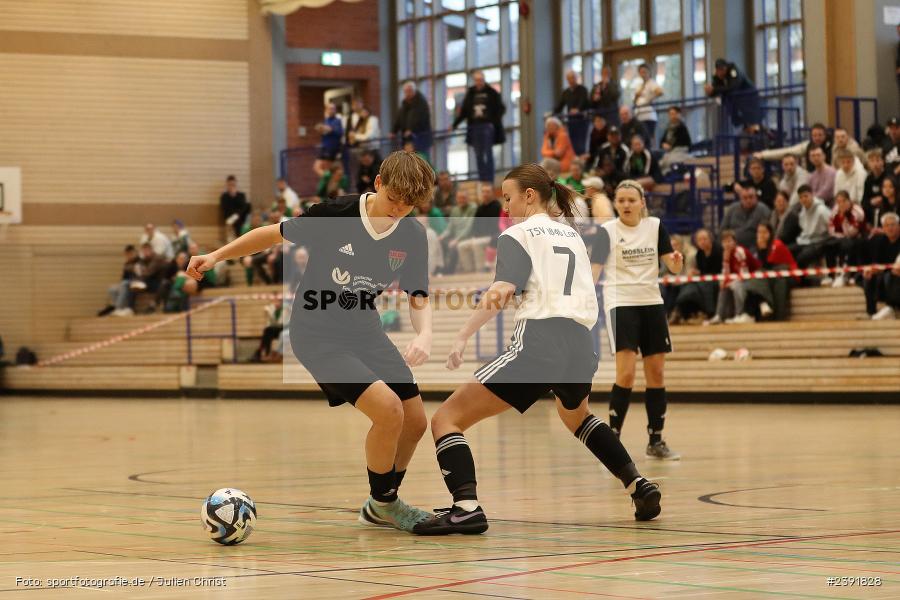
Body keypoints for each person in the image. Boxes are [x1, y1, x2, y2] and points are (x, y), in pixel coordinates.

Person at [186, 151, 437, 533]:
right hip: (318, 335)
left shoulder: (412, 233)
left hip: (365, 331)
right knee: (388, 411)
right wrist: (216, 256)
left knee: (415, 421)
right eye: (393, 201)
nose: (398, 211)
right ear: (378, 183)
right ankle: (386, 504)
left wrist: (426, 332)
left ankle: (380, 502)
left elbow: (417, 294)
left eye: (408, 207)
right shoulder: (335, 215)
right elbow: (270, 234)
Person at [412, 166, 663, 535]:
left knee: (446, 419)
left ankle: (465, 508)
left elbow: (501, 291)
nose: (506, 205)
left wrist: (463, 335)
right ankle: (638, 485)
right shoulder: (573, 235)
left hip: (540, 340)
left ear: (530, 195)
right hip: (581, 342)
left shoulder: (519, 234)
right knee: (577, 417)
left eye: (509, 197)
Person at [591, 180, 684, 459]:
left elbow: (674, 266)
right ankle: (612, 442)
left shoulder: (655, 227)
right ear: (616, 203)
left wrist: (677, 261)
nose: (626, 205)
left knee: (656, 374)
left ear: (642, 202)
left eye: (632, 200)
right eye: (621, 201)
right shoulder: (606, 232)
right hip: (620, 303)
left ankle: (656, 441)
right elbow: (593, 273)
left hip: (651, 303)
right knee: (627, 374)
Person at [452, 71, 505, 183]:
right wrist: (454, 125)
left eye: (480, 80)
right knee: (478, 155)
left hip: (487, 126)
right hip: (475, 126)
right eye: (476, 80)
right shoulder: (471, 93)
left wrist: (493, 121)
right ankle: (483, 180)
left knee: (488, 153)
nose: (479, 82)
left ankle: (490, 179)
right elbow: (464, 111)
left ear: (484, 80)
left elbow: (501, 108)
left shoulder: (492, 92)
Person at [707, 229, 761, 325]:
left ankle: (739, 314)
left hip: (754, 278)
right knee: (723, 286)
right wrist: (726, 261)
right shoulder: (725, 254)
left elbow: (744, 273)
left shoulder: (740, 251)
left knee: (736, 285)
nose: (727, 244)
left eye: (729, 241)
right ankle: (719, 315)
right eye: (724, 242)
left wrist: (729, 282)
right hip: (737, 279)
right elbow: (726, 274)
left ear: (735, 242)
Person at [747, 222, 797, 320]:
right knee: (755, 279)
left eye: (764, 232)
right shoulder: (754, 248)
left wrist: (762, 250)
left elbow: (768, 265)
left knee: (776, 280)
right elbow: (756, 267)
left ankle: (769, 308)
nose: (761, 235)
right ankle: (763, 304)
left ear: (770, 233)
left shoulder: (777, 245)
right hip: (771, 275)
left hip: (789, 275)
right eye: (759, 232)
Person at [672, 228, 721, 323]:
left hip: (716, 280)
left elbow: (717, 270)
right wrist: (696, 272)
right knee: (688, 287)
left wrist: (700, 274)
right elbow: (701, 271)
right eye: (699, 240)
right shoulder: (699, 253)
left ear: (710, 239)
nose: (702, 242)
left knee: (702, 287)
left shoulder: (718, 250)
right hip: (703, 281)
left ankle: (710, 313)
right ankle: (681, 310)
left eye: (704, 239)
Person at [705, 58, 761, 131]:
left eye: (722, 70)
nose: (720, 72)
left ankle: (754, 129)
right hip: (738, 102)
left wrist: (715, 89)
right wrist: (710, 92)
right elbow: (716, 88)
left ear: (726, 68)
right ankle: (746, 126)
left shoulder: (733, 71)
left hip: (749, 98)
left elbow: (732, 87)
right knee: (743, 122)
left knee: (752, 123)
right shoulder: (718, 76)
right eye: (719, 70)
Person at [862, 212, 900, 320]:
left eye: (893, 225)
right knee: (868, 277)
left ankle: (891, 307)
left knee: (890, 276)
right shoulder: (879, 241)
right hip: (886, 271)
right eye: (887, 225)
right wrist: (872, 270)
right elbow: (877, 263)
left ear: (899, 226)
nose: (890, 228)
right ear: (883, 228)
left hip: (896, 273)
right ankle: (871, 312)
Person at [457, 183, 501, 273]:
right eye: (483, 191)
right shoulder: (480, 208)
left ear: (492, 193)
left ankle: (480, 272)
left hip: (492, 236)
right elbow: (475, 225)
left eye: (487, 192)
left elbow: (496, 225)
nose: (485, 194)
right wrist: (474, 236)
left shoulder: (497, 206)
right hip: (478, 237)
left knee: (477, 244)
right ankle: (469, 272)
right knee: (461, 246)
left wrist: (479, 237)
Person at [827, 190, 867, 287]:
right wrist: (839, 235)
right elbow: (831, 229)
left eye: (844, 201)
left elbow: (852, 232)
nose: (841, 204)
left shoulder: (857, 211)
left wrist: (843, 218)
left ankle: (846, 274)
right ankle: (830, 275)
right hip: (841, 237)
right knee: (828, 245)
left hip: (858, 238)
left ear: (849, 200)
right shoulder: (835, 210)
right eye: (838, 202)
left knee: (847, 245)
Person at [754, 123, 833, 169]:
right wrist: (764, 154)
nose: (817, 138)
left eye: (820, 135)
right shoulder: (808, 145)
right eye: (814, 135)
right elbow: (788, 151)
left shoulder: (833, 145)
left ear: (825, 135)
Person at [790, 184, 832, 269]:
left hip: (820, 241)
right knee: (788, 251)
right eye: (801, 197)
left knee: (802, 257)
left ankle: (801, 280)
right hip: (806, 240)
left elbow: (831, 226)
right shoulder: (803, 211)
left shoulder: (822, 210)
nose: (803, 199)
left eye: (806, 196)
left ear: (812, 195)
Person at [439, 189, 478, 274]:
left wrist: (457, 240)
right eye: (459, 198)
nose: (461, 200)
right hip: (455, 238)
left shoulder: (473, 208)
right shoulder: (455, 210)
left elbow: (469, 228)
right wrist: (441, 236)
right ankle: (439, 269)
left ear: (468, 198)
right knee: (440, 242)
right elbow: (450, 228)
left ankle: (449, 272)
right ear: (456, 199)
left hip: (468, 237)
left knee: (453, 247)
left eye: (463, 198)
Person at [555, 70, 591, 155]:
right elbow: (560, 105)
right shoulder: (566, 92)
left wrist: (577, 109)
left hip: (582, 121)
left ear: (576, 78)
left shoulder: (583, 89)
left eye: (573, 78)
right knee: (572, 144)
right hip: (571, 122)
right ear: (567, 80)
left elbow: (583, 101)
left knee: (581, 144)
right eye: (569, 78)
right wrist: (553, 113)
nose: (571, 80)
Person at [392, 81, 433, 154]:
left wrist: (412, 130)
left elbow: (422, 119)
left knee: (420, 158)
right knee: (408, 157)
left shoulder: (421, 102)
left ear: (413, 91)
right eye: (405, 92)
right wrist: (394, 131)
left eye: (409, 91)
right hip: (408, 137)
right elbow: (400, 117)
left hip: (420, 137)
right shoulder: (405, 103)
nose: (407, 94)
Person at [632, 63, 663, 145]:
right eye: (641, 72)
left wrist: (650, 99)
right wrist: (637, 96)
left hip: (648, 114)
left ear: (649, 72)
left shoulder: (651, 83)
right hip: (639, 114)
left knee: (649, 136)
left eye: (645, 72)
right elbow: (634, 100)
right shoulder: (639, 85)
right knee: (641, 137)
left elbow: (660, 92)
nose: (643, 74)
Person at [658, 106, 692, 173]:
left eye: (674, 114)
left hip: (680, 151)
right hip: (669, 152)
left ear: (678, 114)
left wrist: (670, 146)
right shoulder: (668, 127)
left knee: (666, 162)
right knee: (660, 162)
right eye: (670, 114)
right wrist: (663, 144)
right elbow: (662, 141)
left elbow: (684, 142)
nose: (672, 116)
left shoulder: (682, 127)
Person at [313, 103, 343, 173]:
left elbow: (336, 131)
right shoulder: (326, 120)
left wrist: (324, 128)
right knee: (316, 167)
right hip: (324, 147)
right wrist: (320, 128)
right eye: (330, 109)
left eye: (333, 109)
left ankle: (330, 181)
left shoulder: (337, 121)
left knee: (328, 168)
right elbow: (320, 130)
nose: (331, 110)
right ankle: (328, 180)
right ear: (326, 110)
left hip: (332, 147)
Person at [862, 149, 888, 230]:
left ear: (883, 162)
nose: (875, 164)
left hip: (886, 209)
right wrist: (870, 202)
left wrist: (882, 198)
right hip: (872, 210)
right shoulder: (868, 179)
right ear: (868, 164)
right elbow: (864, 200)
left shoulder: (888, 176)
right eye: (872, 161)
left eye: (877, 160)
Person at [220, 175, 250, 241]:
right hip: (229, 221)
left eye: (233, 185)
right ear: (227, 185)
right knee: (230, 240)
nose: (231, 187)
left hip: (240, 221)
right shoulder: (224, 196)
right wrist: (231, 197)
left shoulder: (241, 195)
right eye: (230, 185)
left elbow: (243, 208)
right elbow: (224, 209)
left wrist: (234, 196)